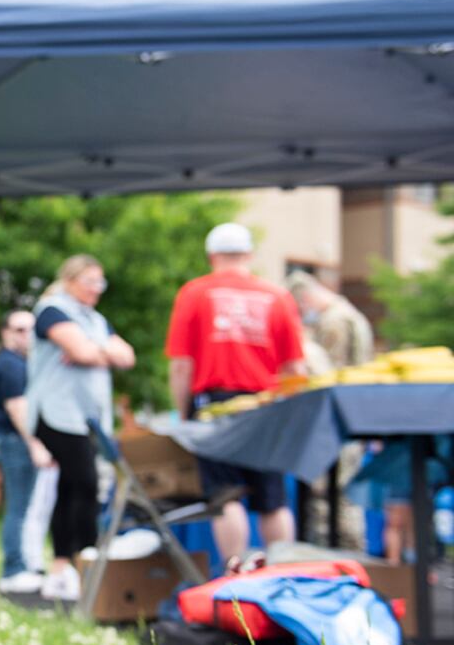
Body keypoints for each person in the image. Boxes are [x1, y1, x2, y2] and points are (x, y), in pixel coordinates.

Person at [166, 222, 306, 562]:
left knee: (226, 498)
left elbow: (181, 365)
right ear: (249, 255)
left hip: (218, 408)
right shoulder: (277, 296)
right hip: (267, 406)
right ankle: (280, 573)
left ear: (212, 255)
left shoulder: (194, 293)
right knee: (273, 500)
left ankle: (235, 574)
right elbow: (296, 369)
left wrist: (184, 415)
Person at [24, 256, 136, 601]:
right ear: (71, 279)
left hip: (88, 418)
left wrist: (93, 351)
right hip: (58, 414)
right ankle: (81, 559)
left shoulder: (96, 320)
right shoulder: (52, 310)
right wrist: (97, 352)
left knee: (74, 487)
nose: (96, 289)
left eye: (100, 283)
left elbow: (126, 356)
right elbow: (80, 350)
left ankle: (65, 565)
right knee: (85, 483)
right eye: (90, 281)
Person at [287, 270, 373, 550]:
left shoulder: (335, 321)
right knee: (343, 495)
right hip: (354, 414)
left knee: (331, 498)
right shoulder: (351, 315)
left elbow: (328, 375)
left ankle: (344, 558)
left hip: (337, 419)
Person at [0, 310, 52, 594]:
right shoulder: (11, 364)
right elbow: (17, 408)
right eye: (19, 329)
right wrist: (35, 444)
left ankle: (23, 565)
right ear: (5, 332)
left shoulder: (20, 363)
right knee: (19, 508)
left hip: (12, 440)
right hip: (15, 442)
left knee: (24, 507)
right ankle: (13, 569)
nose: (26, 335)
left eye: (30, 329)